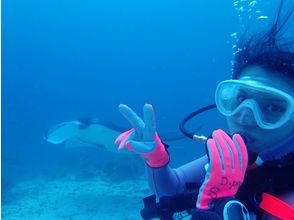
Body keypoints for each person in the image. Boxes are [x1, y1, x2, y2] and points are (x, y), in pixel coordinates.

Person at [115, 2, 294, 220]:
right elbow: (171, 188)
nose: (245, 117)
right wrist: (157, 159)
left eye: (273, 107)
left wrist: (218, 200)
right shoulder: (241, 155)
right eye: (240, 98)